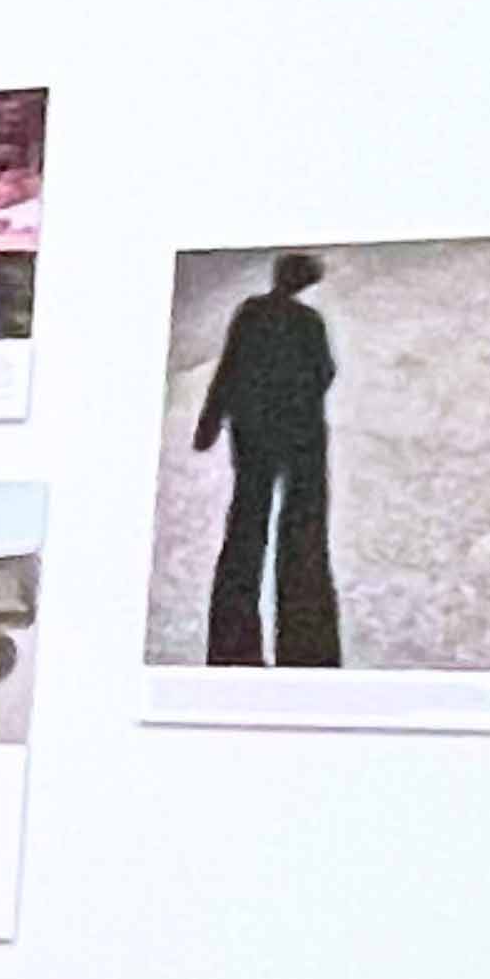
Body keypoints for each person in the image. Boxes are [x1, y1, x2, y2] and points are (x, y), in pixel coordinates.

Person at [200, 252, 342, 674]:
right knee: (302, 529)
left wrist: (211, 420)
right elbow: (324, 372)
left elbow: (228, 369)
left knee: (247, 518)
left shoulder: (250, 313)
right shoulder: (308, 323)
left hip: (253, 432)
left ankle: (233, 634)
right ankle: (305, 638)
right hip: (300, 434)